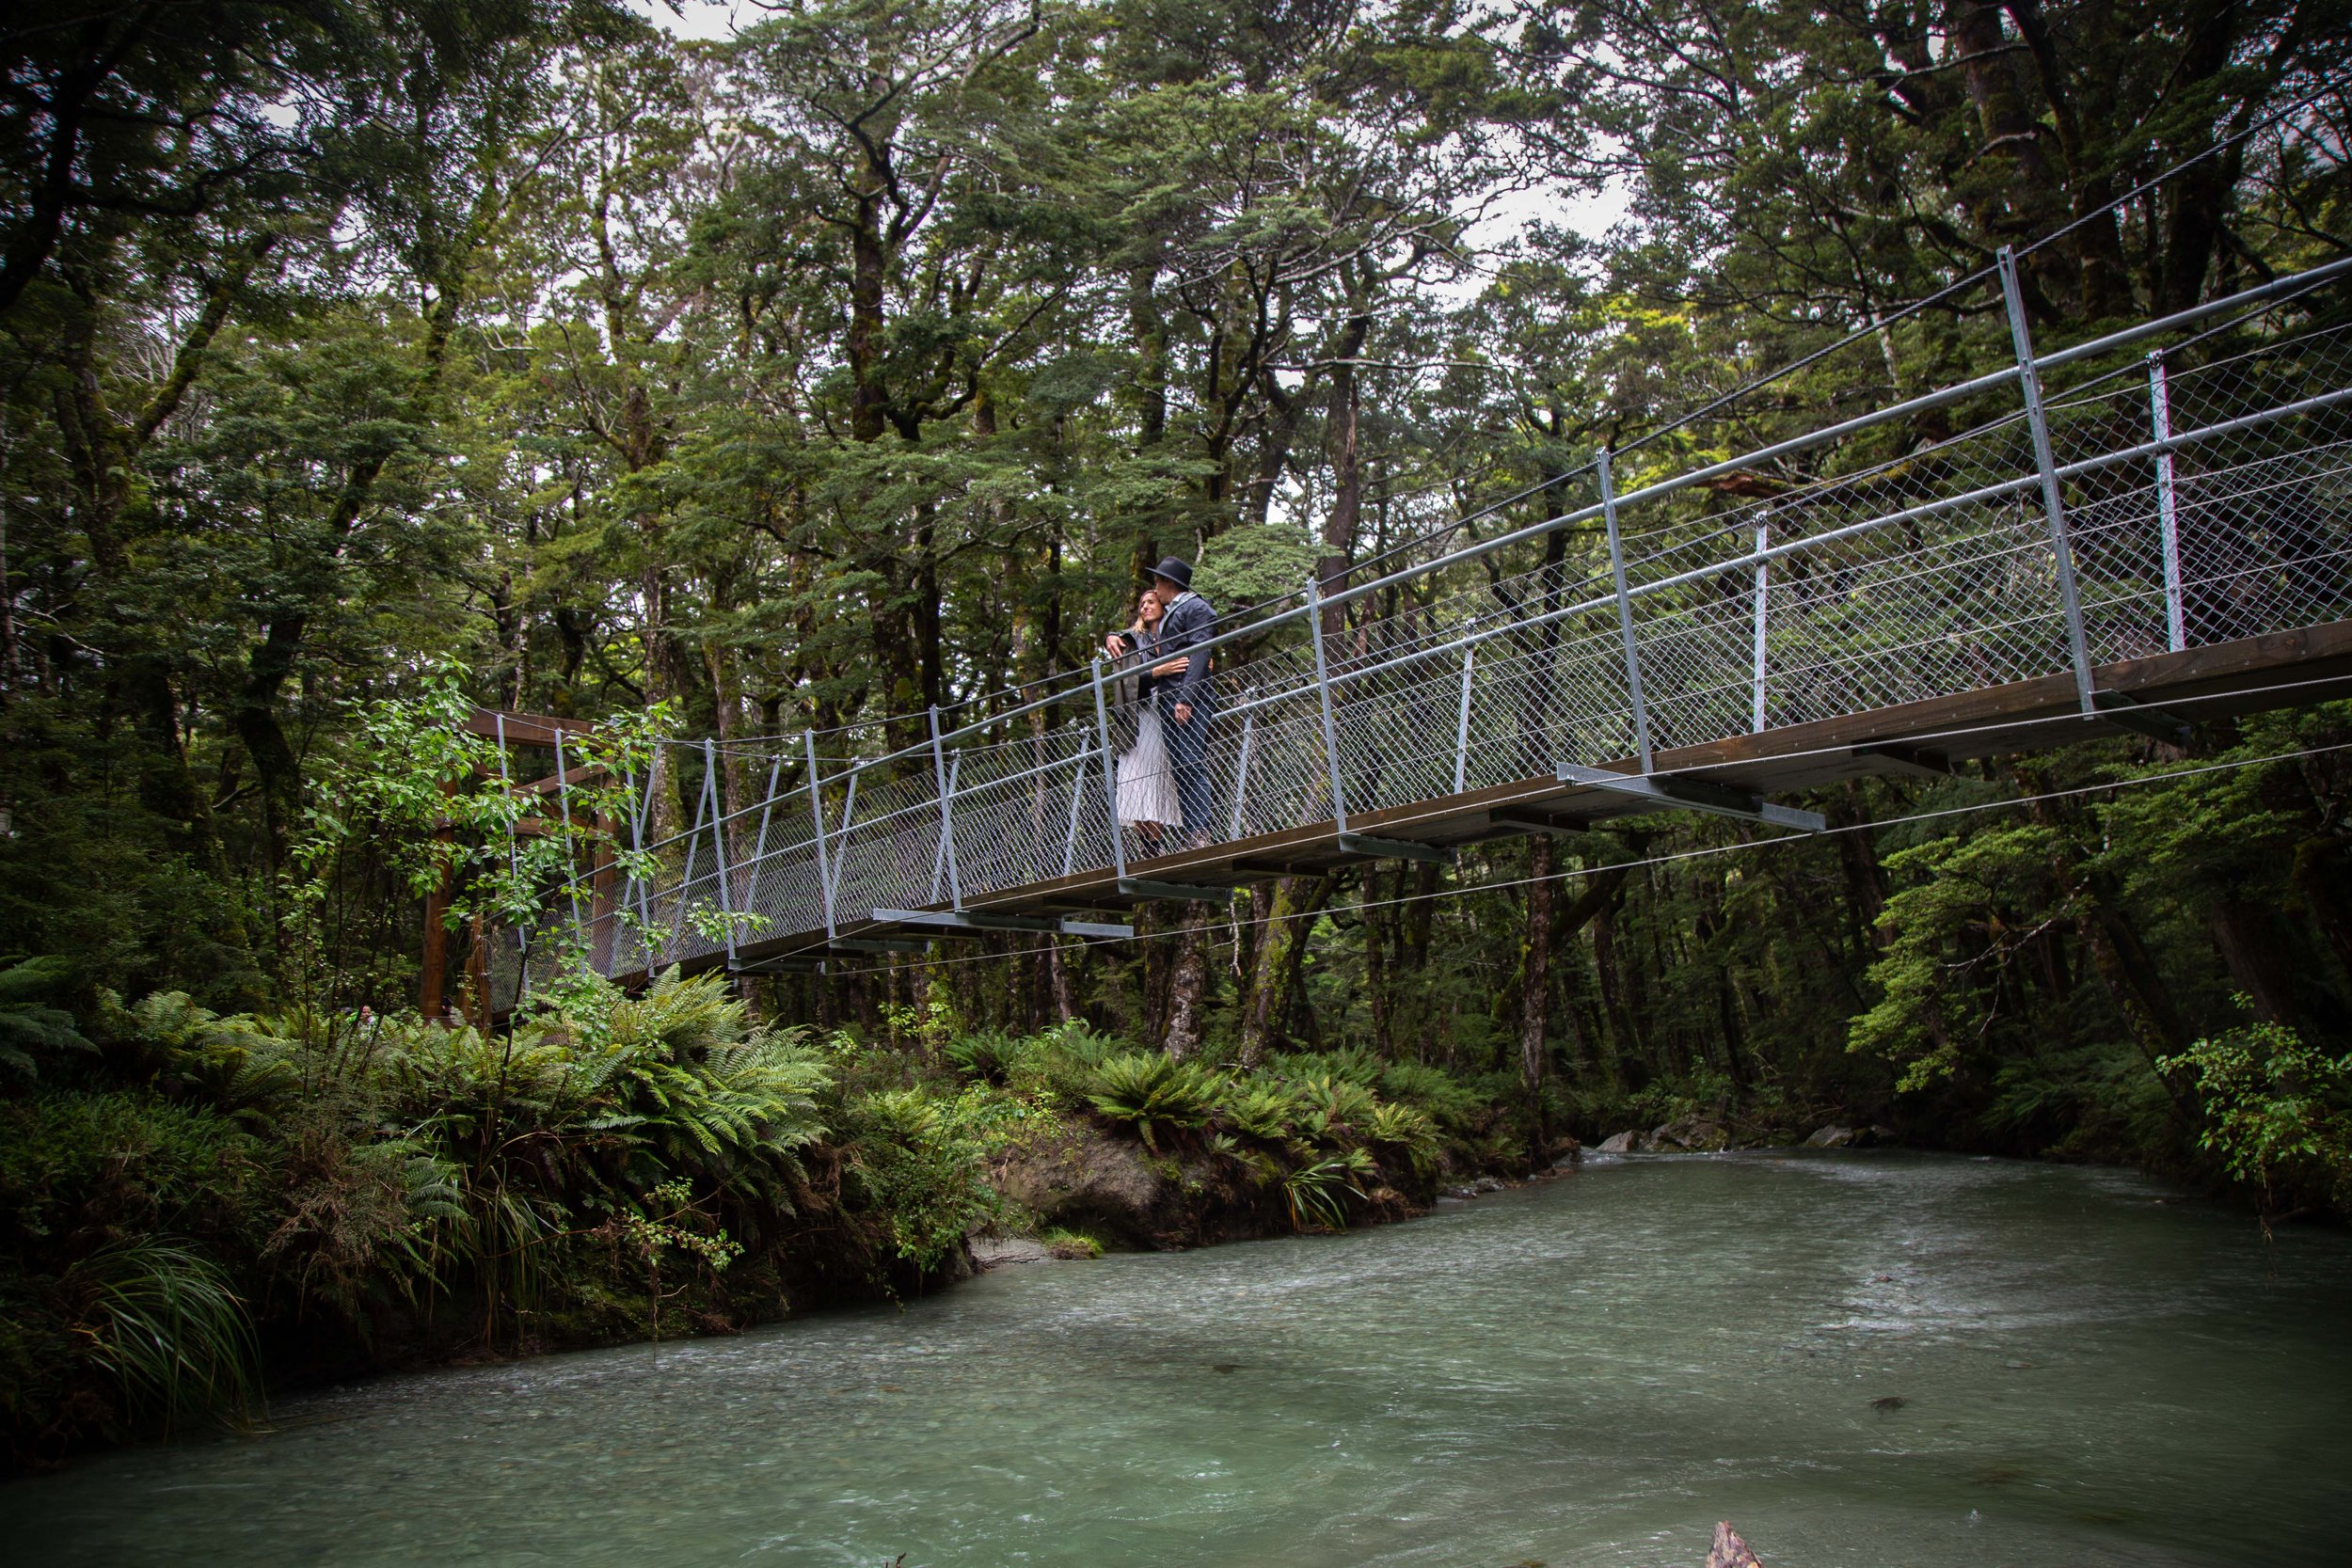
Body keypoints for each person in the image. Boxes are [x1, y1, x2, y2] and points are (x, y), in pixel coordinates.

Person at [1102, 588, 1191, 849]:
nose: (1145, 607)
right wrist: (1156, 671)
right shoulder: (1131, 640)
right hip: (1138, 717)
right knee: (1135, 777)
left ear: (1163, 606)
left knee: (1159, 775)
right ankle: (1147, 844)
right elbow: (1127, 681)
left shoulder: (1174, 636)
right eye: (1141, 604)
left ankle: (1154, 841)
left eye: (1151, 602)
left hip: (1165, 715)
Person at [1146, 555, 1217, 847]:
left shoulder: (1196, 608)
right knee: (1180, 765)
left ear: (1168, 583)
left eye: (1157, 583)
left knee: (1191, 760)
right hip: (1169, 698)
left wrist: (1186, 698)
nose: (1155, 590)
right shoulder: (1171, 612)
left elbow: (1200, 652)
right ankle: (1192, 833)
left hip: (1187, 698)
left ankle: (1200, 831)